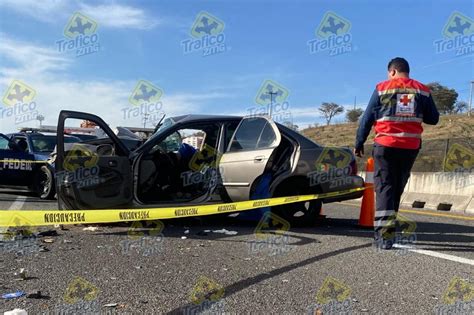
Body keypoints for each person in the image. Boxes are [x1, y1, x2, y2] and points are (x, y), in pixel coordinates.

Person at [354, 57, 439, 249]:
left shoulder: (383, 88)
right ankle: (389, 229)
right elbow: (433, 119)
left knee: (385, 187)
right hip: (409, 147)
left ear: (392, 71)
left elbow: (367, 118)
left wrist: (359, 142)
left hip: (385, 145)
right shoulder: (422, 90)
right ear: (406, 71)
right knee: (397, 187)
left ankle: (384, 237)